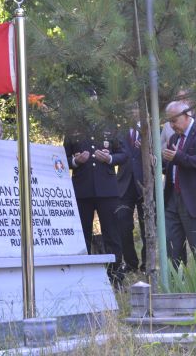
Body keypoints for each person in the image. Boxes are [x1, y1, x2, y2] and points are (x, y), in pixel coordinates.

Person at [64, 91, 127, 284]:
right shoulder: (73, 127)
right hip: (83, 190)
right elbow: (60, 159)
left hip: (107, 190)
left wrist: (109, 159)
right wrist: (75, 160)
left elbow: (123, 154)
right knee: (83, 234)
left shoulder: (110, 126)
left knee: (112, 234)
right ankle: (84, 278)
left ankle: (116, 277)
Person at [162, 100, 196, 266]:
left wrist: (178, 157)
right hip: (172, 198)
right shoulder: (174, 137)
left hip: (195, 199)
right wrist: (158, 163)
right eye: (169, 121)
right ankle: (176, 288)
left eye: (174, 120)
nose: (171, 125)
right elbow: (172, 167)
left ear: (187, 115)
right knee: (173, 249)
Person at [116, 105, 146, 273]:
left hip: (144, 185)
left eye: (136, 108)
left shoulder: (150, 131)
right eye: (130, 109)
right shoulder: (118, 132)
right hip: (124, 184)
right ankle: (130, 263)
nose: (133, 112)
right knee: (123, 225)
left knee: (147, 226)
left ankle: (147, 264)